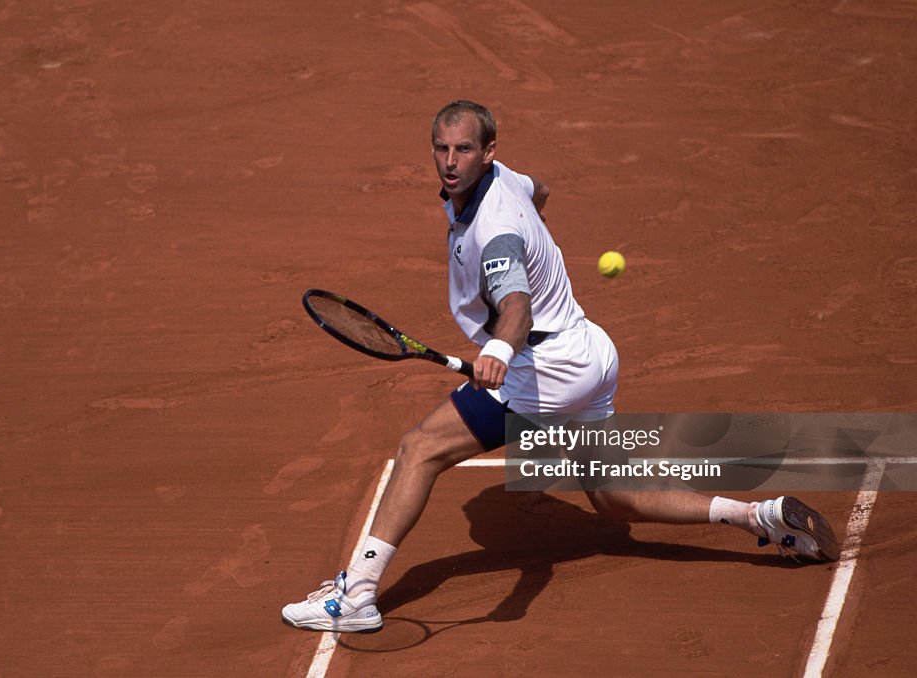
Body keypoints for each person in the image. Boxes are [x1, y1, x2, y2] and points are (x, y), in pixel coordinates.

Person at [281, 100, 839, 633]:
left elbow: (516, 307)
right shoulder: (509, 181)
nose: (450, 162)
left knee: (418, 449)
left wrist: (500, 351)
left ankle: (356, 595)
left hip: (542, 368)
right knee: (615, 498)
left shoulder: (494, 232)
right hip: (589, 351)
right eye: (441, 148)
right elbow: (539, 191)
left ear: (488, 150)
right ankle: (759, 517)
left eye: (464, 150)